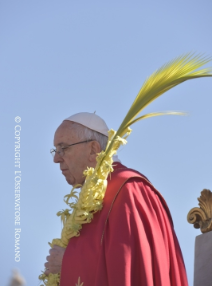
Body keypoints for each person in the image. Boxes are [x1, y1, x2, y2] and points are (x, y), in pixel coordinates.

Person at [44, 112, 188, 286]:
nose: (56, 158)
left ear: (93, 150)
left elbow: (130, 265)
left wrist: (67, 261)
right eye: (55, 150)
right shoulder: (92, 196)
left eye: (63, 148)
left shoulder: (128, 189)